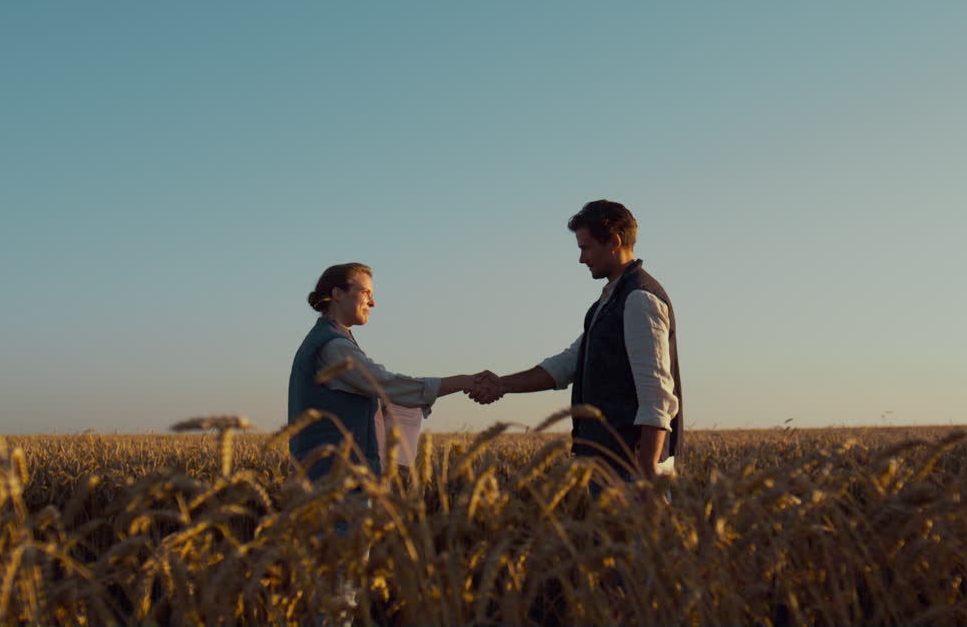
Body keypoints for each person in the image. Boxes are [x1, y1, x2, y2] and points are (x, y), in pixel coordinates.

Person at [470, 200, 682, 480]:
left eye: (585, 247)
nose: (582, 258)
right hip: (609, 465)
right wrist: (502, 384)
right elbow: (569, 364)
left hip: (630, 469)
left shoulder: (639, 299)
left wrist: (647, 472)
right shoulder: (611, 302)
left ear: (614, 242)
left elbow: (656, 393)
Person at [287, 262, 494, 480]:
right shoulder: (333, 346)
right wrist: (463, 382)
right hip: (338, 482)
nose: (373, 302)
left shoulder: (331, 339)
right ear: (338, 294)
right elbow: (386, 384)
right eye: (366, 292)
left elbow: (376, 391)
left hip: (338, 477)